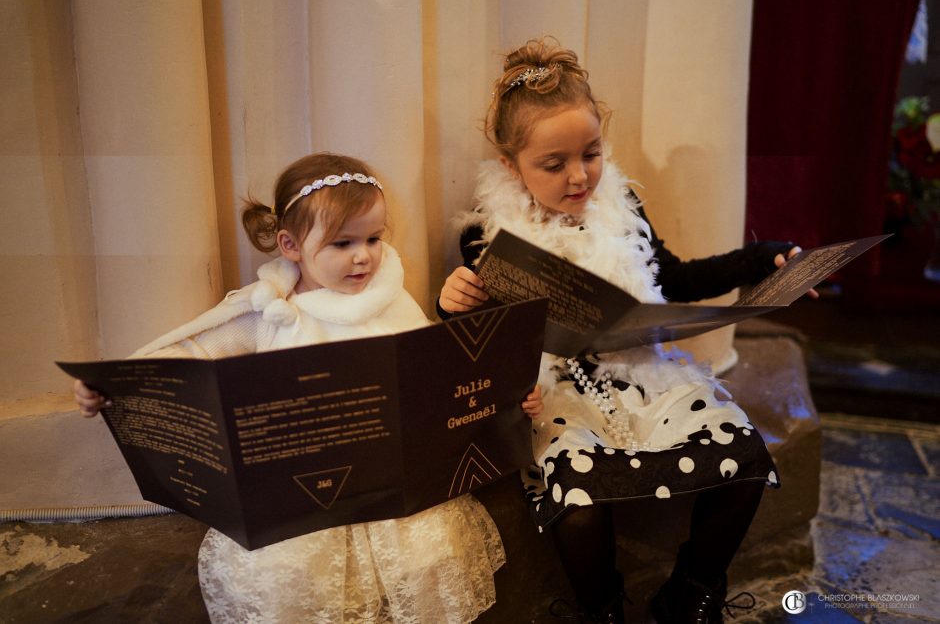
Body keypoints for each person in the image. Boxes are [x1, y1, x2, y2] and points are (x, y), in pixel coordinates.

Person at [74, 152, 542, 623]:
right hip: (301, 497)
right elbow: (185, 359)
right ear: (290, 244)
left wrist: (508, 399)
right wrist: (111, 388)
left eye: (374, 238)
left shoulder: (392, 299)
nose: (363, 255)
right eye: (342, 243)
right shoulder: (267, 313)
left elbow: (443, 381)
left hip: (389, 489)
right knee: (286, 574)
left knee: (425, 556)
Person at [437, 38, 809, 623]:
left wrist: (766, 260)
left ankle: (691, 591)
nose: (579, 176)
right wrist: (454, 306)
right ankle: (602, 610)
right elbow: (485, 343)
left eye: (591, 153)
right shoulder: (488, 238)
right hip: (556, 393)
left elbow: (679, 278)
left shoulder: (624, 209)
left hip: (644, 375)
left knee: (746, 461)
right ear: (511, 167)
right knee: (580, 505)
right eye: (553, 164)